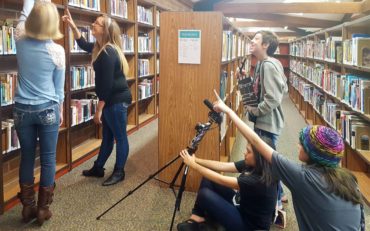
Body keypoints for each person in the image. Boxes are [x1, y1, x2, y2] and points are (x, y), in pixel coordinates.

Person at [212, 91, 364, 231]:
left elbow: (255, 141)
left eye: (302, 145)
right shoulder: (349, 178)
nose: (298, 146)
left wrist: (228, 111)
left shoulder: (303, 177)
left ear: (313, 154)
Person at [62, 8, 132, 186]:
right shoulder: (101, 48)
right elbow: (84, 44)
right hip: (111, 99)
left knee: (120, 137)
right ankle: (98, 167)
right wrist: (71, 25)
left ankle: (119, 171)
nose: (93, 24)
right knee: (108, 136)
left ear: (105, 31)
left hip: (115, 100)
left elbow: (106, 87)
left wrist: (98, 111)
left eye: (97, 23)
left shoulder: (108, 53)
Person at [14, 0, 65, 225]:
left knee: (26, 157)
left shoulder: (19, 40)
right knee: (48, 159)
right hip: (48, 109)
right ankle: (43, 210)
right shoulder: (57, 51)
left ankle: (27, 208)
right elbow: (59, 90)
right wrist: (60, 111)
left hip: (22, 110)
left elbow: (25, 16)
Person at [177, 139, 278, 231]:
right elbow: (224, 166)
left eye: (248, 151)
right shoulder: (256, 164)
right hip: (242, 205)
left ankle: (210, 221)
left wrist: (193, 165)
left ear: (259, 157)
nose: (244, 153)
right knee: (208, 177)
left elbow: (221, 180)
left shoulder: (258, 181)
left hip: (249, 226)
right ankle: (198, 216)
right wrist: (196, 160)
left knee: (204, 194)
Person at [239, 30, 288, 216]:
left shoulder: (268, 65)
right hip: (264, 121)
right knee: (268, 161)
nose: (252, 41)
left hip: (268, 122)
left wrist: (255, 111)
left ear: (266, 45)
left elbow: (274, 98)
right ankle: (281, 194)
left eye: (257, 39)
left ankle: (276, 207)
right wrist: (247, 79)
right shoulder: (261, 64)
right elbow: (261, 88)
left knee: (267, 166)